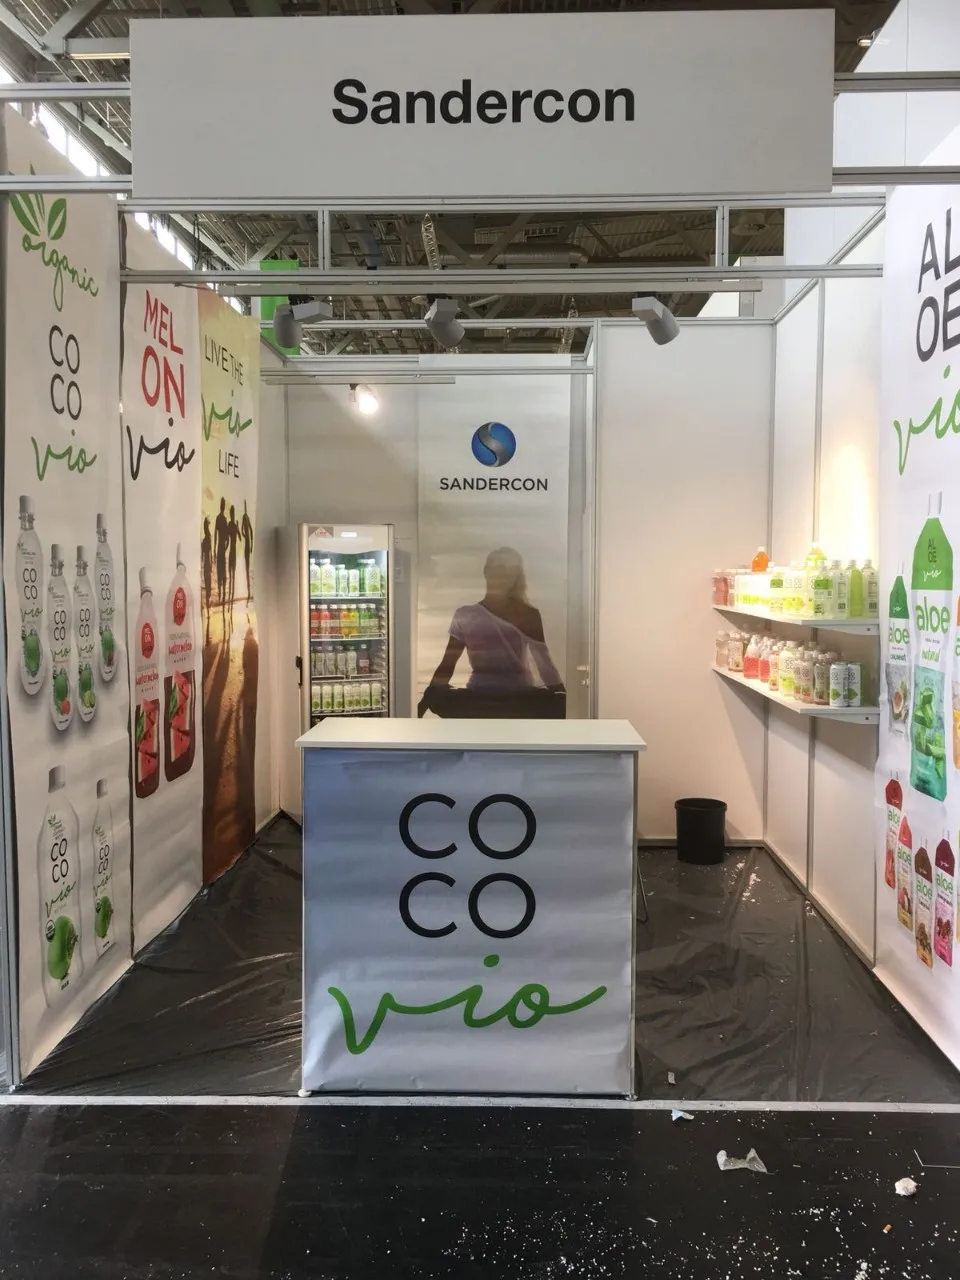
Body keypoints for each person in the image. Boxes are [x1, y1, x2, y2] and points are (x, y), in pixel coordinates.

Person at [423, 547, 565, 707]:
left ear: (516, 576)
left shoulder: (528, 614)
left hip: (520, 699)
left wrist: (566, 703)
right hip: (478, 698)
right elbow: (447, 664)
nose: (503, 575)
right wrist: (426, 700)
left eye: (510, 570)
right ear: (486, 570)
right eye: (499, 568)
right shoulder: (465, 614)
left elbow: (546, 667)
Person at [214, 498, 229, 607]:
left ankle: (221, 594)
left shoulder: (219, 518)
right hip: (222, 548)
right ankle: (222, 595)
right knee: (222, 571)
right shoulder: (223, 519)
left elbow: (216, 534)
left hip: (220, 548)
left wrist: (215, 548)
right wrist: (226, 547)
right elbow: (227, 538)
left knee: (220, 571)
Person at [240, 501, 254, 602]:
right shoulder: (245, 518)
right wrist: (245, 536)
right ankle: (248, 591)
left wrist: (251, 545)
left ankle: (249, 591)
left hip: (247, 545)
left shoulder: (246, 519)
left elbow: (250, 531)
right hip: (246, 545)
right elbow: (243, 530)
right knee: (247, 567)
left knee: (247, 568)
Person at [227, 504, 240, 608]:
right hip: (233, 552)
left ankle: (230, 599)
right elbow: (239, 538)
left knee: (232, 576)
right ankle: (230, 599)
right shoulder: (233, 525)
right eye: (233, 513)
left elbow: (227, 539)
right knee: (232, 576)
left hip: (232, 552)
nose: (233, 515)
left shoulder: (231, 525)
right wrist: (238, 527)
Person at [200, 517, 212, 614]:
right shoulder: (208, 539)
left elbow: (202, 557)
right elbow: (210, 554)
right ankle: (208, 606)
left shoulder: (204, 542)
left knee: (207, 585)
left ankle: (207, 607)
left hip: (206, 565)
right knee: (209, 585)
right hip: (209, 564)